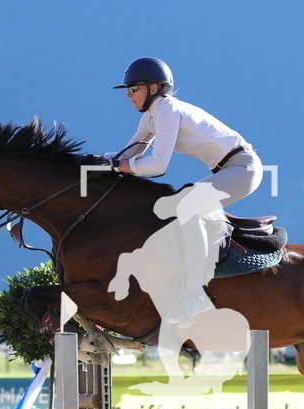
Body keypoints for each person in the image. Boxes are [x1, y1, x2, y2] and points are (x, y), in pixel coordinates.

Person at [106, 57, 264, 326]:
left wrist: (115, 165)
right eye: (128, 90)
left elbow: (157, 165)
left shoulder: (166, 109)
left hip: (244, 167)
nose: (129, 95)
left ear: (154, 88)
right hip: (230, 169)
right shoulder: (150, 118)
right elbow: (128, 155)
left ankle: (195, 293)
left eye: (134, 88)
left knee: (187, 207)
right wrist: (93, 162)